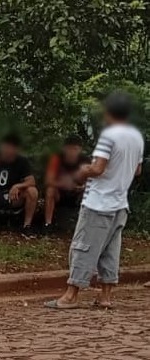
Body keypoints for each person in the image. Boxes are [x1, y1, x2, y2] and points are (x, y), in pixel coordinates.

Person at [46, 92, 144, 310]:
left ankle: (71, 295)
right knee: (111, 250)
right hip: (120, 203)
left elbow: (97, 168)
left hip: (99, 202)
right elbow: (137, 170)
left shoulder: (108, 136)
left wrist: (82, 171)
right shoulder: (136, 137)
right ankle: (106, 296)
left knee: (83, 247)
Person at [44, 135, 90, 229]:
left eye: (75, 149)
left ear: (80, 150)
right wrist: (64, 184)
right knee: (50, 190)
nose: (72, 152)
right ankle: (48, 224)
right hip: (60, 193)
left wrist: (83, 187)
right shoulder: (56, 158)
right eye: (69, 149)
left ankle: (85, 225)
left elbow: (92, 181)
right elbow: (48, 180)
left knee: (89, 191)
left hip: (78, 194)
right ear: (64, 149)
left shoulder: (86, 160)